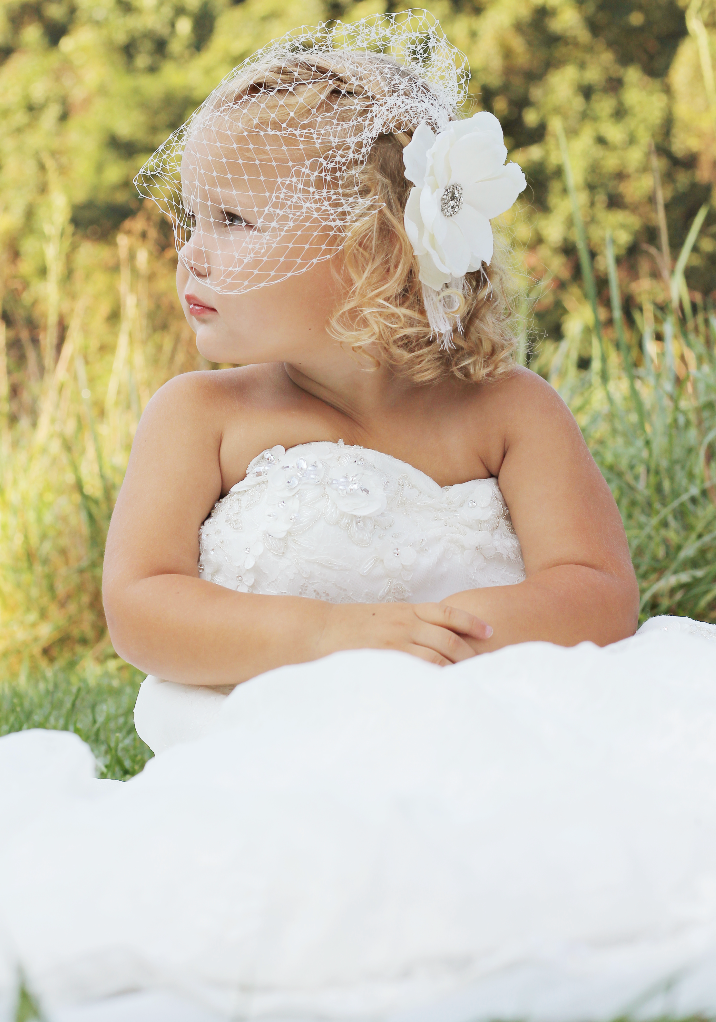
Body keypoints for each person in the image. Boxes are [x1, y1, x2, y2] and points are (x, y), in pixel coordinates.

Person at [1, 12, 715, 1022]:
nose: (190, 256)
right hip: (275, 750)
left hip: (495, 727)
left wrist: (436, 645)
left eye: (233, 220)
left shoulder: (508, 410)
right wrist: (337, 637)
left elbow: (594, 592)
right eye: (191, 220)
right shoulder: (201, 417)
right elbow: (143, 605)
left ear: (374, 244)